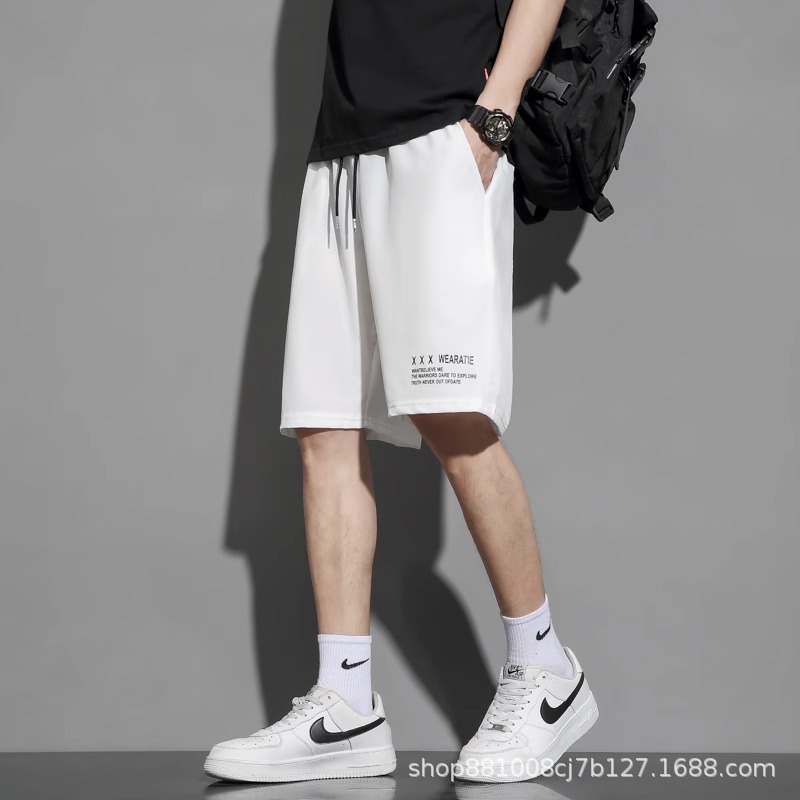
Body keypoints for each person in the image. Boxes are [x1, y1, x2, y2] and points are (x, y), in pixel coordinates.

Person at [205, 0, 598, 784]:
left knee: (452, 414)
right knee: (324, 426)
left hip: (444, 130)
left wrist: (494, 118)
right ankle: (346, 703)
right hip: (341, 147)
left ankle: (547, 670)